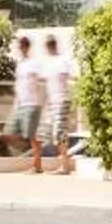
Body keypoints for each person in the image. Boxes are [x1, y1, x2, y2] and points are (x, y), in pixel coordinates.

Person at [38, 32, 77, 176]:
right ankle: (63, 164)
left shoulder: (62, 61)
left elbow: (72, 76)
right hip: (53, 102)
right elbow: (45, 80)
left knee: (59, 132)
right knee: (53, 133)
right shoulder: (49, 63)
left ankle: (64, 166)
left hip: (61, 100)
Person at [6, 33, 44, 165]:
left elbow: (41, 80)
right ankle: (34, 154)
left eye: (23, 46)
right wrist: (16, 103)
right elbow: (18, 84)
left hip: (32, 103)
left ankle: (37, 164)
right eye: (20, 46)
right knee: (10, 133)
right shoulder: (20, 64)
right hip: (21, 104)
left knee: (31, 136)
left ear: (27, 47)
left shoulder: (34, 63)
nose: (21, 49)